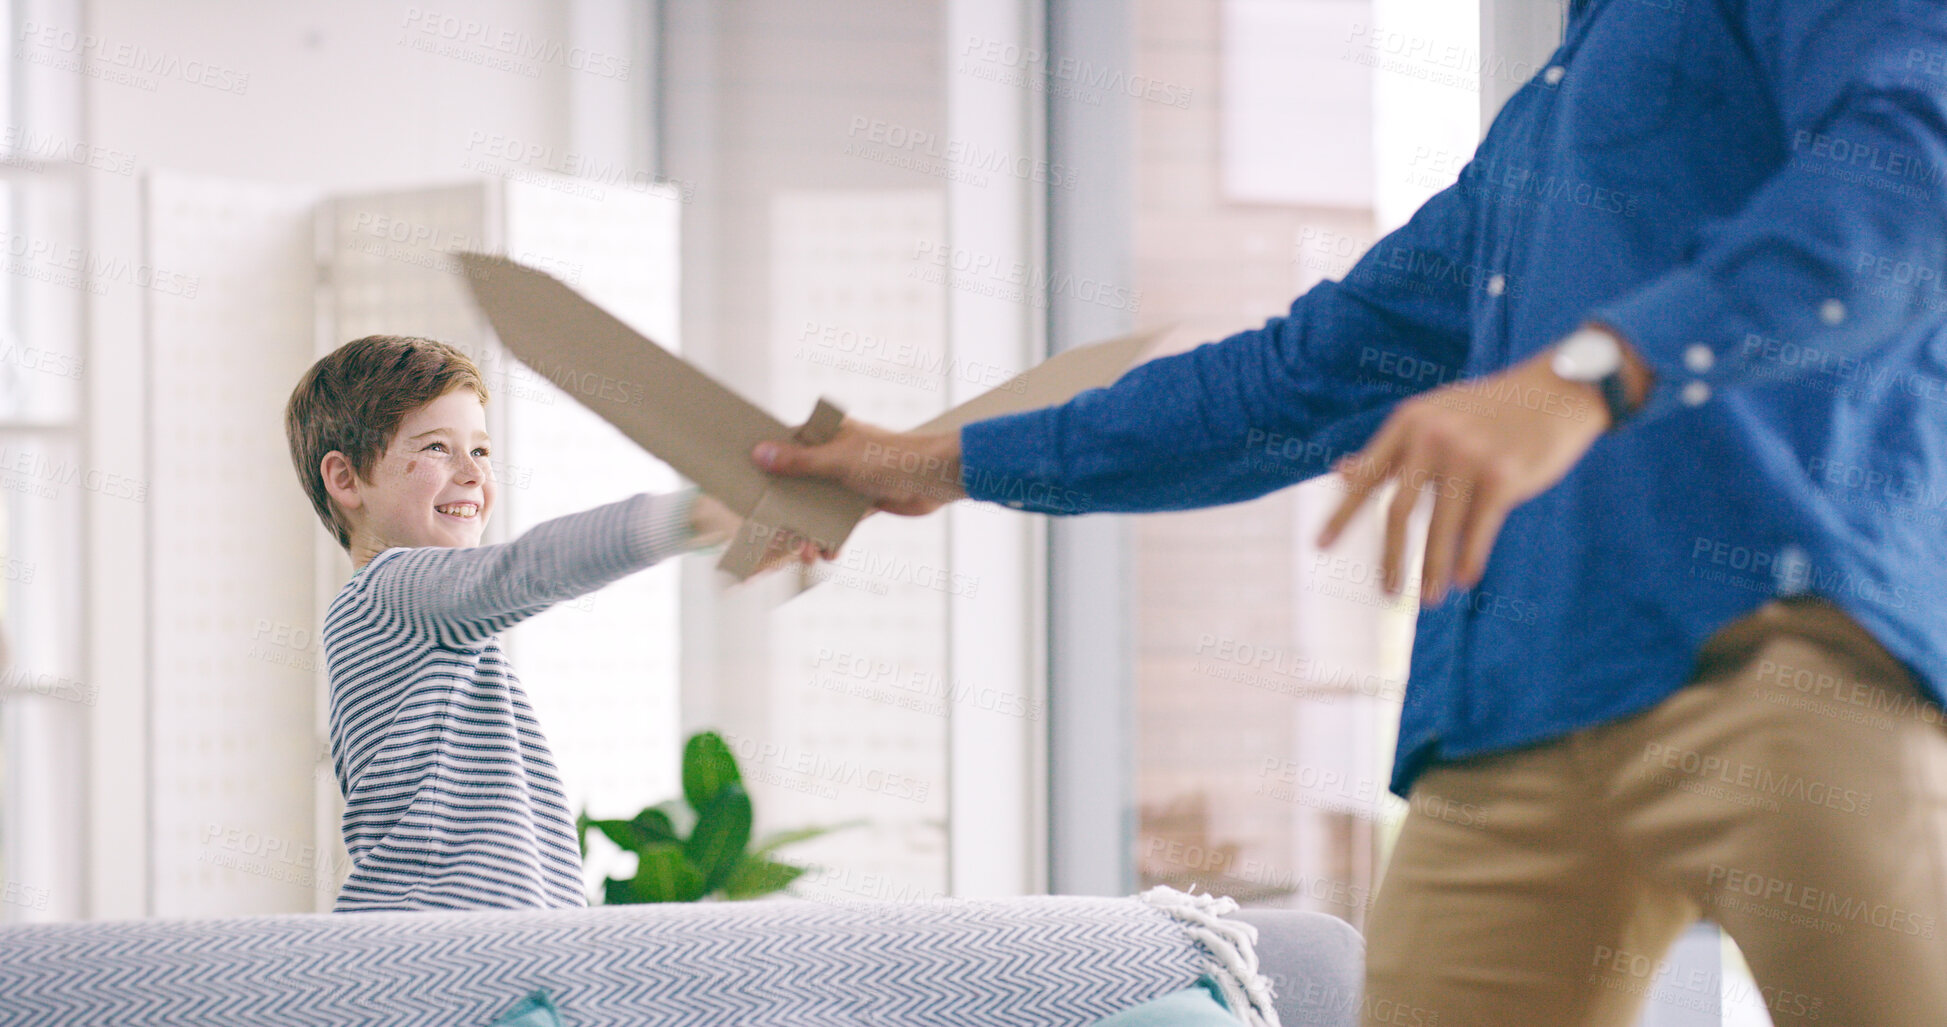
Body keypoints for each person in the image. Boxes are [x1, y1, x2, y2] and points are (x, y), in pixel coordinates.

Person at [750, 1, 1947, 1022]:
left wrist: (1585, 373)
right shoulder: (1548, 118)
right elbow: (1298, 375)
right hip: (1511, 725)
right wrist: (940, 461)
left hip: (1778, 658)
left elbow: (1912, 174)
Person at [284, 334, 797, 911]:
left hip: (473, 953)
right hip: (436, 946)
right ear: (346, 480)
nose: (472, 473)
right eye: (435, 448)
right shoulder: (388, 592)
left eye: (479, 451)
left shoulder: (422, 623)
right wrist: (700, 515)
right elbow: (526, 570)